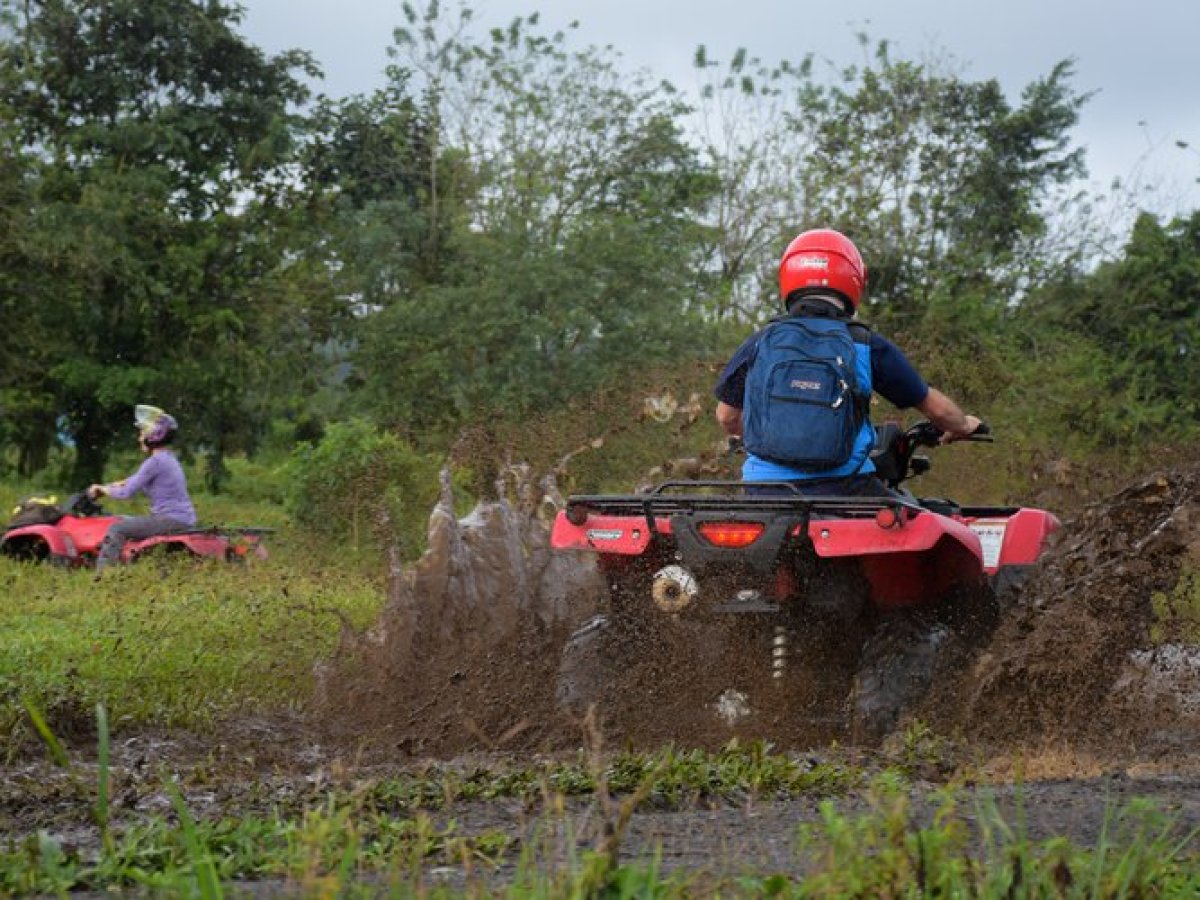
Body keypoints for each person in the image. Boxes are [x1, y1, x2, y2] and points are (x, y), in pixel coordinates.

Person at [714, 229, 982, 496]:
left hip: (764, 490)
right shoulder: (864, 344)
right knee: (914, 515)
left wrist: (774, 441)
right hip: (845, 488)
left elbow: (727, 416)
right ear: (854, 280)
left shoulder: (761, 341)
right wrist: (963, 425)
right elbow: (934, 407)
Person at [87, 405, 198, 572]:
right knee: (126, 519)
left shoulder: (154, 462)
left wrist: (103, 490)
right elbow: (136, 479)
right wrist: (113, 484)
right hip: (183, 519)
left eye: (142, 433)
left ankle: (103, 575)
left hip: (169, 520)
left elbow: (126, 493)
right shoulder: (168, 458)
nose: (139, 438)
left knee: (117, 528)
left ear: (154, 435)